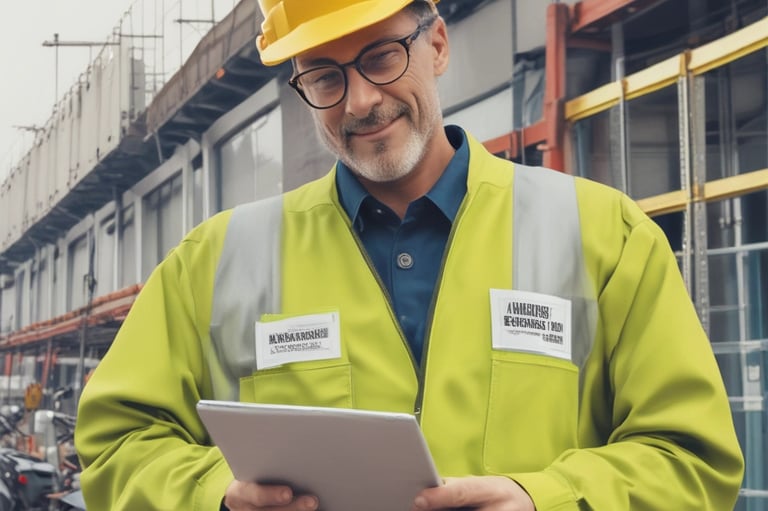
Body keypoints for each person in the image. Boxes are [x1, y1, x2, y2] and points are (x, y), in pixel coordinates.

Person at [75, 0, 745, 509]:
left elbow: (691, 455)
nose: (361, 100)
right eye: (325, 77)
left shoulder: (604, 236)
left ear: (439, 44)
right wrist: (214, 491)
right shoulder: (215, 261)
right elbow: (116, 440)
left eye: (380, 56)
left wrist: (547, 498)